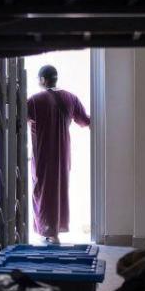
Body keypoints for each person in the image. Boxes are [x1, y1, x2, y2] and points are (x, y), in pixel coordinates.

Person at [27, 64, 90, 244]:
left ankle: (48, 232)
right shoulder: (71, 98)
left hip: (42, 154)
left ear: (42, 80)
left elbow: (17, 122)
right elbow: (85, 121)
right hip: (63, 153)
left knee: (43, 190)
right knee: (59, 189)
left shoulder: (34, 100)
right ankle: (56, 230)